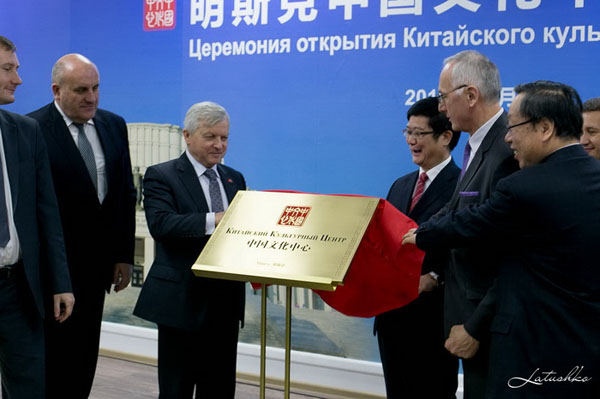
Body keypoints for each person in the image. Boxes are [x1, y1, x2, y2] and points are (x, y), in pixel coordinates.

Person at [403, 80, 600, 398]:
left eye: (514, 127)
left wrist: (421, 234)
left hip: (531, 353)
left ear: (545, 128)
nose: (508, 137)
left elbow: (473, 222)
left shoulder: (524, 186)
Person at [28, 53, 136, 399]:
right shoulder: (32, 130)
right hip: (51, 270)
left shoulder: (113, 125)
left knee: (85, 354)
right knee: (50, 359)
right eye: (81, 90)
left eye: (96, 88)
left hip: (97, 267)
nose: (91, 97)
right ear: (56, 91)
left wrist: (123, 254)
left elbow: (123, 194)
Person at [134, 102, 246, 398]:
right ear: (187, 135)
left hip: (225, 303)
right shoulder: (161, 175)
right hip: (181, 303)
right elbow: (161, 225)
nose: (219, 145)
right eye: (211, 137)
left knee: (220, 389)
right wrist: (215, 220)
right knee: (176, 390)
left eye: (224, 138)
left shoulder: (235, 179)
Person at [434, 50, 519, 397]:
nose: (441, 107)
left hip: (490, 325)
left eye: (443, 97)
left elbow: (512, 258)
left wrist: (475, 325)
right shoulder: (475, 145)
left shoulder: (509, 150)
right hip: (469, 313)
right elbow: (456, 213)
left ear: (470, 95)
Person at [0, 36, 74, 398]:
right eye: (8, 69)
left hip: (19, 289)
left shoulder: (26, 132)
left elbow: (48, 214)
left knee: (29, 388)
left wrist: (60, 282)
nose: (18, 79)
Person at [373, 97, 460, 398]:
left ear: (446, 136)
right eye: (407, 132)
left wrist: (435, 277)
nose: (411, 140)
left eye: (419, 133)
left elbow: (467, 247)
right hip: (391, 317)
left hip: (433, 321)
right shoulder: (400, 184)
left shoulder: (464, 185)